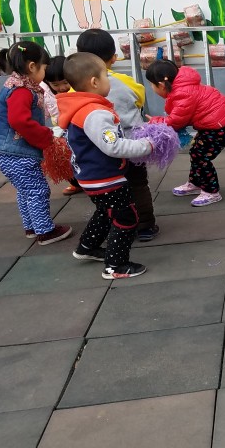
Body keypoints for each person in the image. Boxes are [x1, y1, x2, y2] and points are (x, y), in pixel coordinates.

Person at [58, 53, 153, 279]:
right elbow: (114, 146)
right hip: (106, 178)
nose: (109, 80)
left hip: (91, 176)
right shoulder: (95, 113)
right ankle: (115, 266)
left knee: (104, 212)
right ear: (94, 82)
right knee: (126, 218)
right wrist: (146, 145)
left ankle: (87, 247)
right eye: (106, 76)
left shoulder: (79, 107)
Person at [0, 41, 73, 246]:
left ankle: (32, 226)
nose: (44, 73)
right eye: (44, 68)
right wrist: (46, 137)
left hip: (3, 149)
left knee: (26, 190)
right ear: (32, 67)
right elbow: (19, 121)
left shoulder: (17, 84)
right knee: (37, 190)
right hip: (13, 151)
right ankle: (45, 231)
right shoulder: (22, 90)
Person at [77, 28, 159, 241]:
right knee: (138, 184)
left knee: (112, 189)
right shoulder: (124, 81)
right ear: (113, 57)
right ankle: (145, 225)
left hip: (100, 151)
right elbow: (139, 98)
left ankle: (121, 224)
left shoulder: (74, 89)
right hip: (132, 144)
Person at [145, 60, 225, 207]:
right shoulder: (182, 87)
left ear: (161, 85)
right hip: (215, 125)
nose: (151, 87)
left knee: (201, 157)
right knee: (196, 152)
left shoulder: (183, 93)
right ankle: (196, 182)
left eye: (151, 84)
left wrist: (156, 121)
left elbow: (176, 121)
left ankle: (211, 192)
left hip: (220, 129)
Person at [41, 54, 83, 197]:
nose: (62, 88)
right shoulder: (46, 94)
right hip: (61, 131)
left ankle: (86, 180)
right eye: (55, 85)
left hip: (79, 129)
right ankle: (75, 182)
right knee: (58, 156)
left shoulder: (79, 89)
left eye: (65, 82)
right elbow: (43, 113)